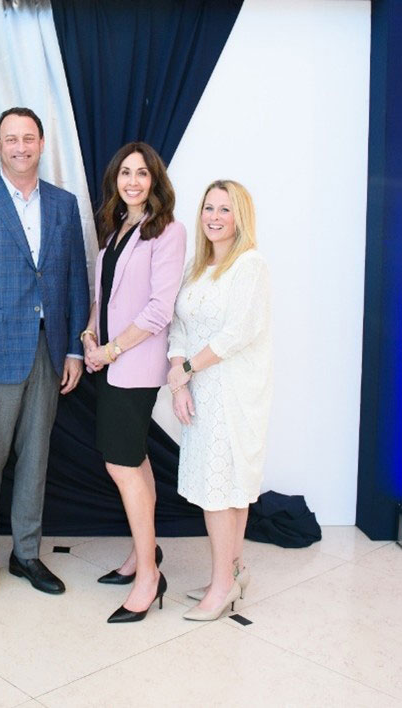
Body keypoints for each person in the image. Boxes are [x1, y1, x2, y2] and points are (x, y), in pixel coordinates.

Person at [0, 107, 90, 605]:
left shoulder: (64, 205)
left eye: (29, 138)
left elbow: (75, 279)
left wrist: (73, 348)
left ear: (42, 144)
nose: (20, 147)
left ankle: (26, 553)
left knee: (36, 460)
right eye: (11, 139)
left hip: (49, 351)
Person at [82, 141, 186, 623]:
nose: (133, 181)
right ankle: (144, 554)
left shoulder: (169, 231)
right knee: (135, 461)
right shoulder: (116, 226)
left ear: (155, 180)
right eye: (125, 172)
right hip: (109, 361)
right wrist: (89, 332)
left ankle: (149, 576)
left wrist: (111, 349)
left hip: (134, 365)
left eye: (142, 173)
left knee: (121, 465)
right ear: (116, 179)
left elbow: (160, 309)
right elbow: (105, 296)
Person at [167, 180, 272, 621]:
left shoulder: (249, 265)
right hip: (200, 390)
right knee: (222, 488)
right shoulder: (197, 265)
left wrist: (188, 369)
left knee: (223, 490)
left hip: (232, 392)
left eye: (224, 209)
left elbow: (237, 333)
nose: (214, 217)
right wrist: (179, 377)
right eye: (208, 208)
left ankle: (222, 587)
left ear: (240, 217)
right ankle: (233, 571)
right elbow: (178, 325)